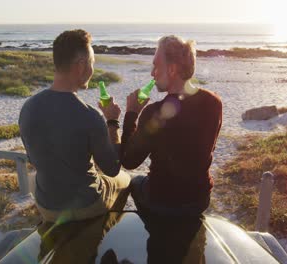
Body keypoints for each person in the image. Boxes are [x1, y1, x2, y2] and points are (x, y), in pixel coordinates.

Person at [19, 29, 130, 224]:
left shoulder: (28, 108)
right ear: (80, 66)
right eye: (92, 63)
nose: (93, 69)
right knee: (126, 180)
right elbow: (112, 168)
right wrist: (112, 122)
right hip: (86, 206)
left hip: (46, 204)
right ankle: (108, 230)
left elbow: (33, 158)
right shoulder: (89, 115)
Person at [121, 35, 222, 216]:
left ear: (172, 69)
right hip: (199, 199)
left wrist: (131, 114)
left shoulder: (155, 113)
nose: (152, 73)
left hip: (162, 201)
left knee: (133, 182)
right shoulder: (213, 102)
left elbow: (129, 161)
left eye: (156, 66)